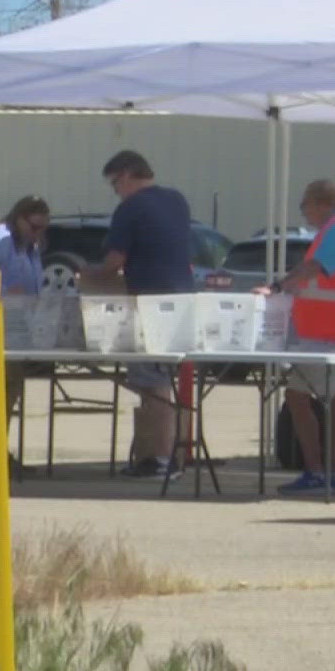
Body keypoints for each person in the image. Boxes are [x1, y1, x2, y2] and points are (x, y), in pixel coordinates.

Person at [261, 178, 335, 494]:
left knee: (297, 396)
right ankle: (333, 473)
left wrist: (279, 286)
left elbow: (314, 268)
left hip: (325, 333)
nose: (303, 214)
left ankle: (317, 471)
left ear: (319, 204)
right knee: (332, 399)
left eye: (304, 206)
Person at [92, 150, 193, 478]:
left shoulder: (130, 208)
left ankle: (156, 459)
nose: (116, 191)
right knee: (165, 379)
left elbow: (114, 262)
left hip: (148, 302)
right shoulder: (177, 200)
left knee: (151, 382)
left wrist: (89, 278)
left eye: (114, 184)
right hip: (182, 301)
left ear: (127, 174)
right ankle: (168, 454)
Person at [0, 196, 50, 440]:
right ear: (19, 219)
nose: (37, 234)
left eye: (42, 228)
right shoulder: (1, 240)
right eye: (34, 227)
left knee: (11, 393)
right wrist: (3, 291)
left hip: (21, 330)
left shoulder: (31, 246)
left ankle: (1, 449)